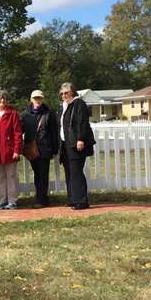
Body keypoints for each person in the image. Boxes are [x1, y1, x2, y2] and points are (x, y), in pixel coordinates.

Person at [58, 82, 95, 210]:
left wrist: (80, 139)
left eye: (66, 92)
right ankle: (72, 199)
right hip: (65, 144)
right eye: (62, 93)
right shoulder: (64, 106)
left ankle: (81, 201)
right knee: (69, 172)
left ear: (73, 92)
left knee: (76, 172)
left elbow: (82, 122)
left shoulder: (78, 104)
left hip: (76, 143)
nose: (64, 95)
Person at [20, 90, 58, 208]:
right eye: (35, 98)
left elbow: (54, 132)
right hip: (31, 149)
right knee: (37, 174)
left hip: (45, 148)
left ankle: (41, 200)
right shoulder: (24, 115)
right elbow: (19, 131)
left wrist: (54, 150)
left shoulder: (49, 114)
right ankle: (42, 197)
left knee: (43, 174)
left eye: (39, 98)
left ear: (43, 99)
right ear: (31, 99)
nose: (37, 100)